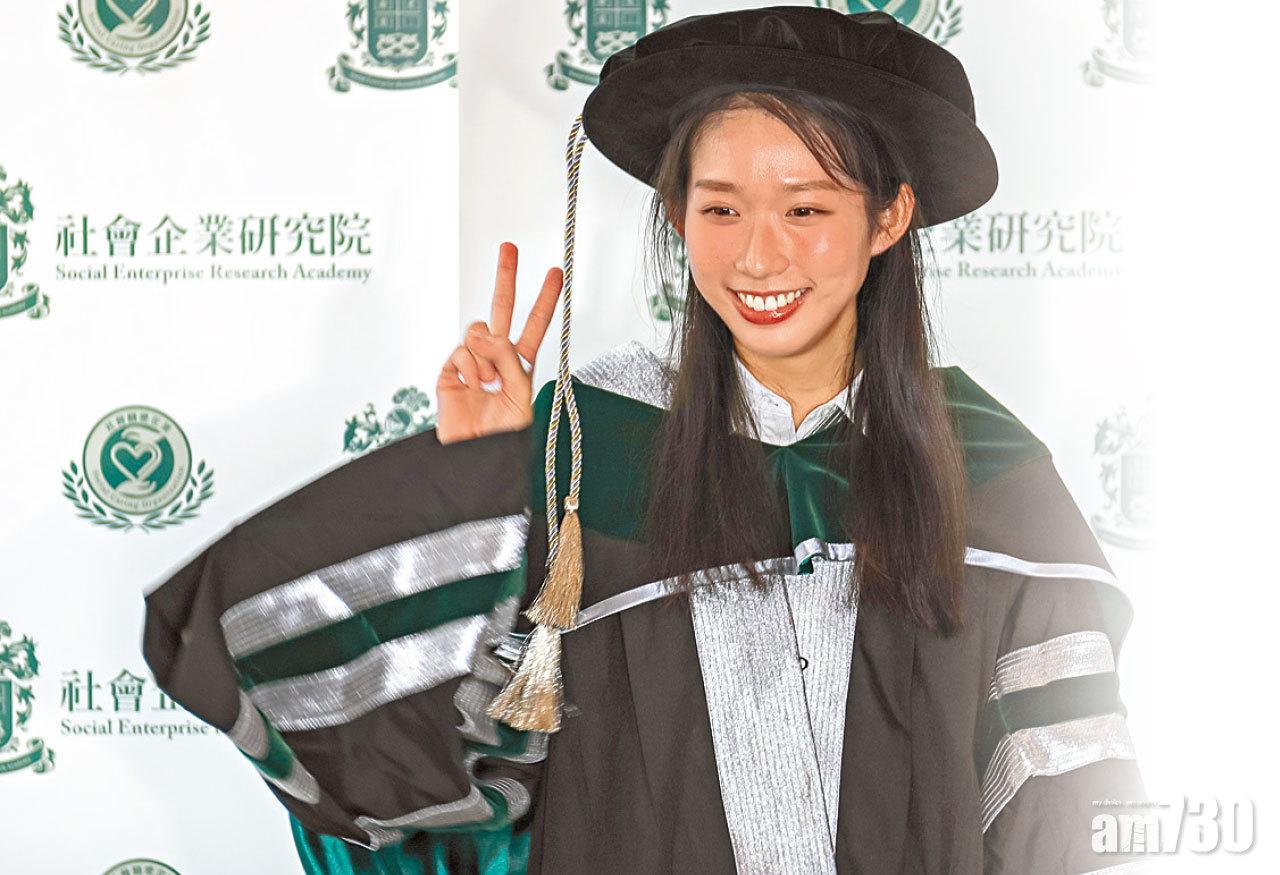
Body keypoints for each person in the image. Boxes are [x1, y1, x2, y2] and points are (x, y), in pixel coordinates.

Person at [141, 7, 1149, 873]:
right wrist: (478, 499)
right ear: (676, 213)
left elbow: (1061, 800)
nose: (758, 255)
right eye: (720, 208)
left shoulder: (982, 471)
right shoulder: (587, 454)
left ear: (887, 218)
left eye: (805, 207)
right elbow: (457, 790)